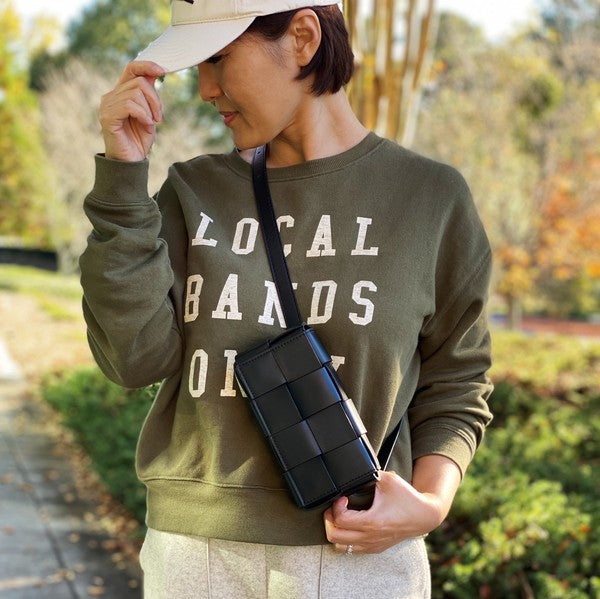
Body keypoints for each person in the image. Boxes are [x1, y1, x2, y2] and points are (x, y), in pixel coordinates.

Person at [80, 1, 493, 597]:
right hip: (195, 556)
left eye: (219, 58)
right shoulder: (193, 191)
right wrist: (123, 176)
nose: (205, 88)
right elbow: (132, 359)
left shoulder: (431, 199)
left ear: (302, 37)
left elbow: (458, 376)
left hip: (358, 553)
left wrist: (429, 501)